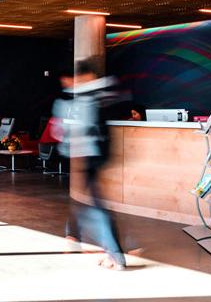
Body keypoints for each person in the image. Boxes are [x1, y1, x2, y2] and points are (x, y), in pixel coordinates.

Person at [55, 58, 130, 270]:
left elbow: (84, 127)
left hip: (92, 156)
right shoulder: (94, 94)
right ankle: (77, 238)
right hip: (89, 156)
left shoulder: (92, 95)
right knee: (86, 204)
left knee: (97, 208)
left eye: (73, 79)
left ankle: (116, 256)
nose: (70, 83)